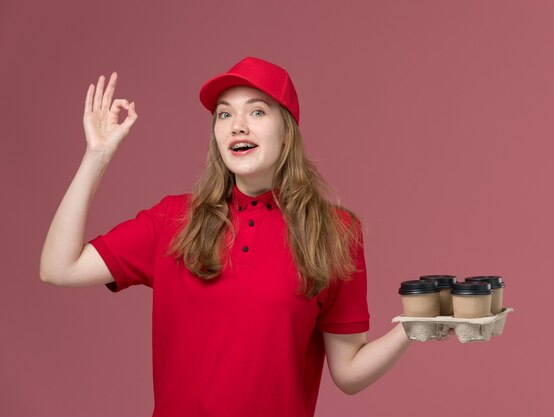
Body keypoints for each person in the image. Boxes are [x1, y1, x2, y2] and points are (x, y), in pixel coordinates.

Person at [40, 57, 411, 417]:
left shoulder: (335, 233)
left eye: (257, 111)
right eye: (224, 114)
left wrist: (412, 329)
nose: (237, 125)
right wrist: (97, 156)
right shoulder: (173, 220)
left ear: (287, 132)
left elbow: (348, 373)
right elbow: (59, 268)